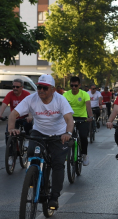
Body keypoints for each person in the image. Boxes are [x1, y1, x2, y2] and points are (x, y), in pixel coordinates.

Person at [8, 74, 74, 209]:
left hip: (59, 134)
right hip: (39, 132)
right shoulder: (31, 99)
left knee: (57, 164)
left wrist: (68, 133)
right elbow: (13, 114)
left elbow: (69, 119)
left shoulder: (60, 100)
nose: (41, 90)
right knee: (32, 153)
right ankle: (34, 178)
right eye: (39, 87)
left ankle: (54, 196)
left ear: (53, 90)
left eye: (44, 88)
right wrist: (11, 128)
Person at [0, 78, 33, 164]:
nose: (15, 88)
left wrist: (30, 116)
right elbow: (4, 104)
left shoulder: (27, 94)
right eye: (13, 86)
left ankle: (27, 139)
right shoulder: (10, 94)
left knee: (28, 124)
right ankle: (11, 155)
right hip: (15, 118)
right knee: (8, 133)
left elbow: (31, 107)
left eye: (17, 87)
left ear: (22, 87)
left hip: (25, 117)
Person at [63, 76, 93, 166]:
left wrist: (90, 116)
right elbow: (62, 107)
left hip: (82, 118)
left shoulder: (84, 94)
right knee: (66, 136)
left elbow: (88, 106)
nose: (74, 88)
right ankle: (66, 152)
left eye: (76, 85)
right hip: (70, 118)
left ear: (79, 85)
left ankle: (84, 154)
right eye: (72, 85)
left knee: (83, 136)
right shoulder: (65, 95)